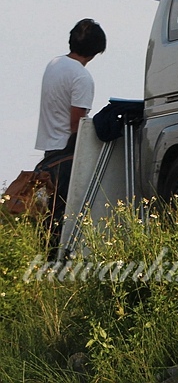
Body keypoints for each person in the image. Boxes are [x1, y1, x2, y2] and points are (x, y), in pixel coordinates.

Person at [35, 18, 106, 246]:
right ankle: (57, 264)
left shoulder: (54, 64)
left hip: (49, 149)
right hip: (67, 154)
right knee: (64, 218)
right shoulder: (82, 77)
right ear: (97, 50)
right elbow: (77, 124)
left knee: (48, 218)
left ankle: (45, 263)